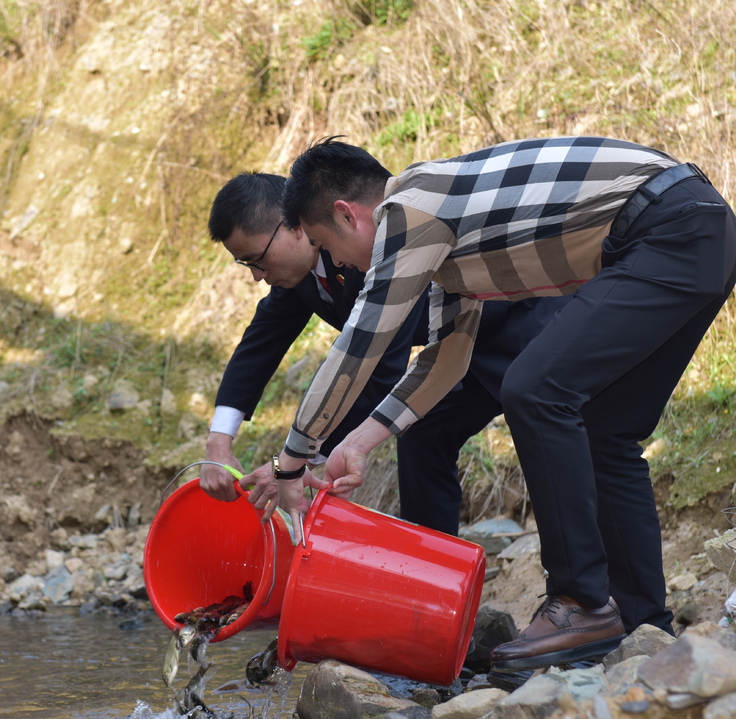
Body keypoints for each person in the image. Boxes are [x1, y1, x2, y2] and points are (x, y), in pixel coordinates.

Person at [255, 135, 736, 673]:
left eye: (325, 245)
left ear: (348, 216)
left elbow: (359, 346)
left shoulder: (408, 214)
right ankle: (644, 625)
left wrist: (291, 461)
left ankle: (579, 601)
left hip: (668, 230)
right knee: (605, 430)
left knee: (534, 389)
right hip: (698, 232)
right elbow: (446, 361)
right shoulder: (440, 230)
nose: (338, 263)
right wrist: (360, 441)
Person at [204, 171, 569, 537]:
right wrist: (219, 442)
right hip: (455, 347)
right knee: (423, 436)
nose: (256, 276)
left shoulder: (364, 252)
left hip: (517, 319)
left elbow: (378, 369)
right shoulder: (298, 274)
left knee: (556, 434)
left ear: (294, 227)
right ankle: (431, 576)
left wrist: (296, 461)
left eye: (256, 260)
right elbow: (260, 343)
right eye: (247, 265)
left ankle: (588, 585)